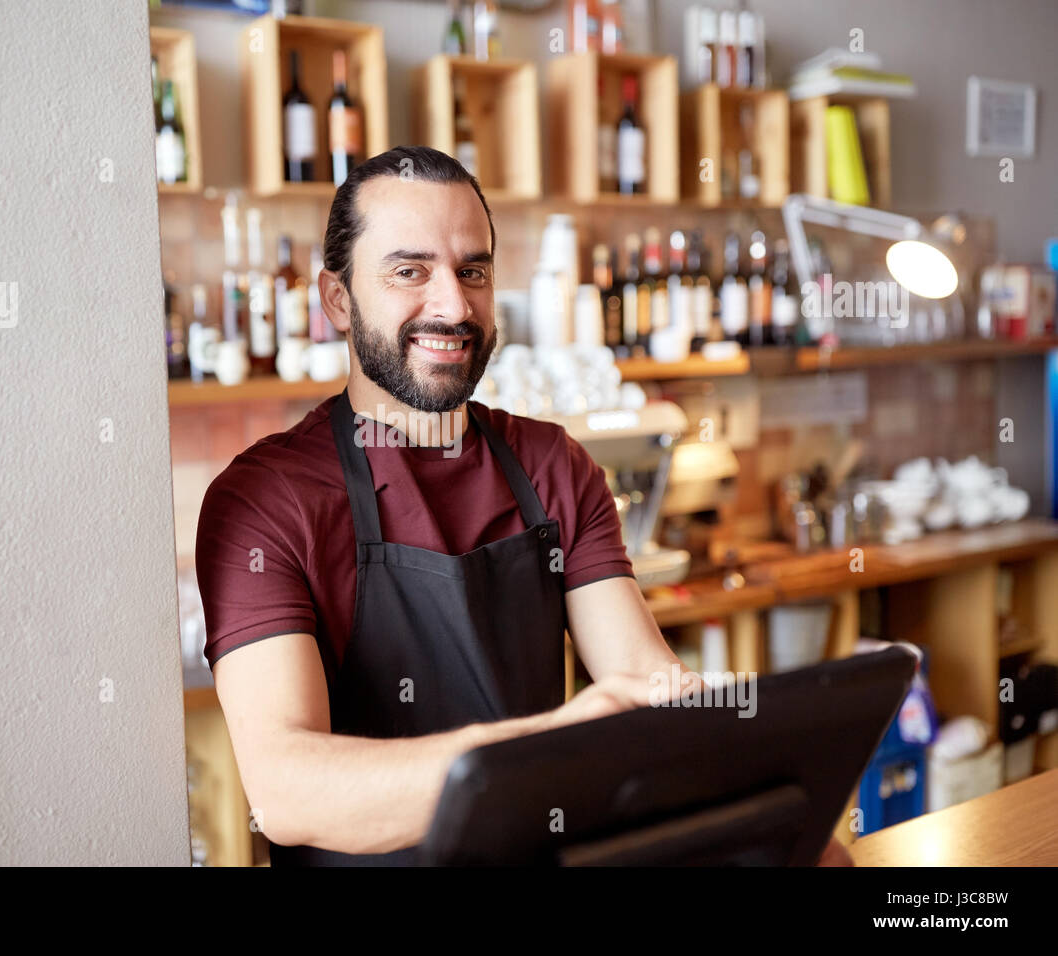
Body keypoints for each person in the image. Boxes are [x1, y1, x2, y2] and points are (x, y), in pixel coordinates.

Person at [196, 145, 852, 866]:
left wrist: (781, 781)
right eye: (410, 271)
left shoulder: (551, 464)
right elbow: (288, 793)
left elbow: (647, 679)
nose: (453, 305)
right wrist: (554, 749)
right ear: (338, 300)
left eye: (472, 271)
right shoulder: (263, 502)